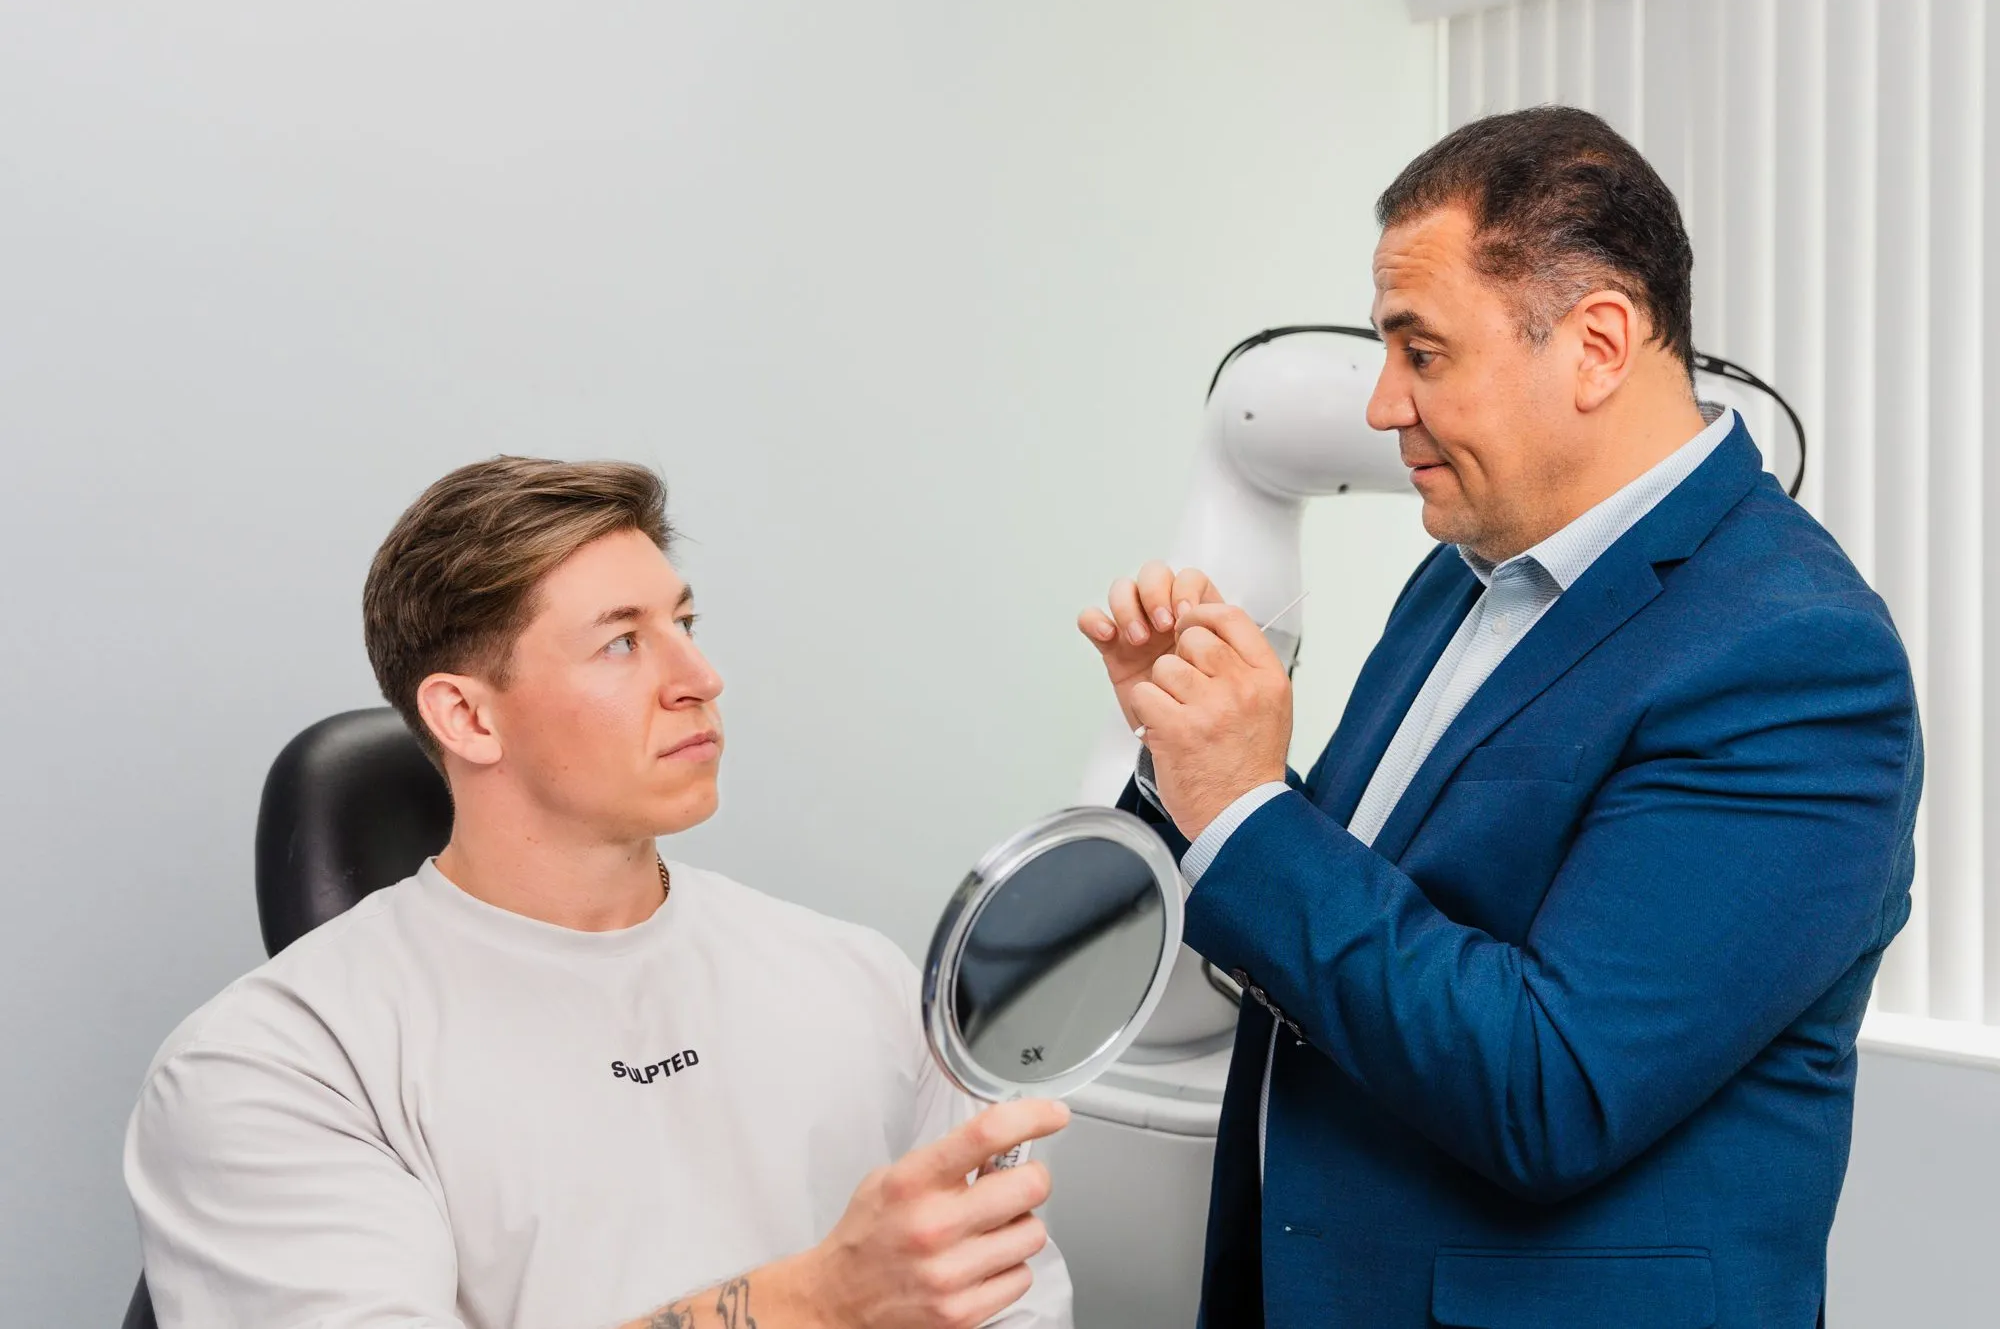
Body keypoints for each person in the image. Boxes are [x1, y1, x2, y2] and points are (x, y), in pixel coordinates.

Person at [1081, 106, 1920, 1328]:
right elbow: (1362, 899)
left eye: (1421, 353)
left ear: (1594, 344)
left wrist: (1248, 810)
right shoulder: (1462, 570)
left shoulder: (1793, 658)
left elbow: (1551, 1085)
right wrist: (1186, 749)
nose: (1380, 405)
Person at [127, 457, 1073, 1329]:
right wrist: (814, 1302)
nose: (700, 679)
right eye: (623, 643)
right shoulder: (282, 1064)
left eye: (685, 626)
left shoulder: (854, 977)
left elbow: (1012, 1301)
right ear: (466, 715)